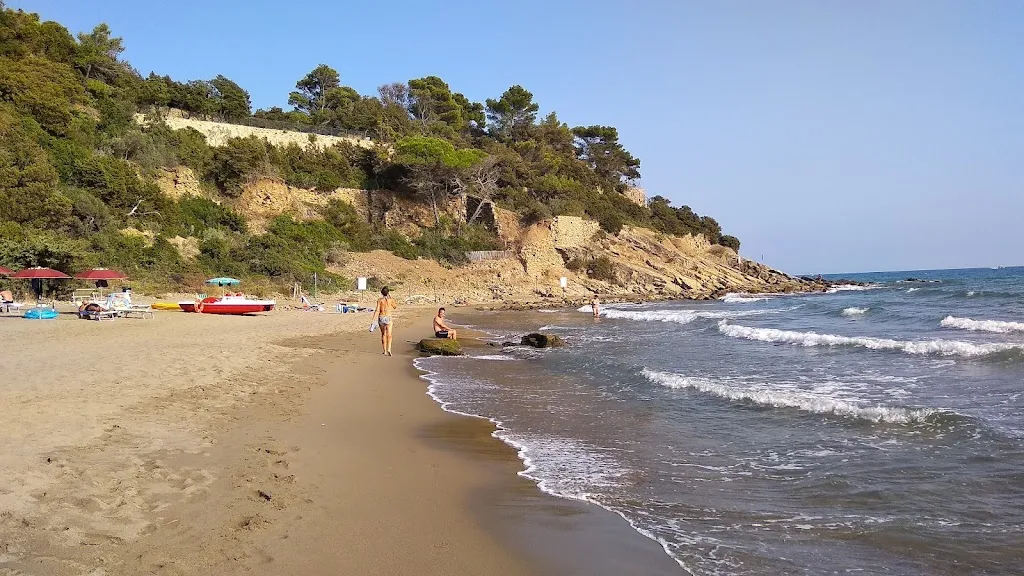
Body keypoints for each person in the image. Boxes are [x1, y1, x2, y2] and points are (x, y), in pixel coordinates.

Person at [371, 286, 397, 356]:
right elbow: (395, 306)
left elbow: (377, 310)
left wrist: (373, 319)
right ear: (388, 292)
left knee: (383, 334)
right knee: (389, 335)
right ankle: (389, 349)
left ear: (382, 293)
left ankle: (384, 350)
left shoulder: (380, 300)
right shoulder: (391, 300)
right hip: (388, 317)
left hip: (381, 317)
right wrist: (390, 297)